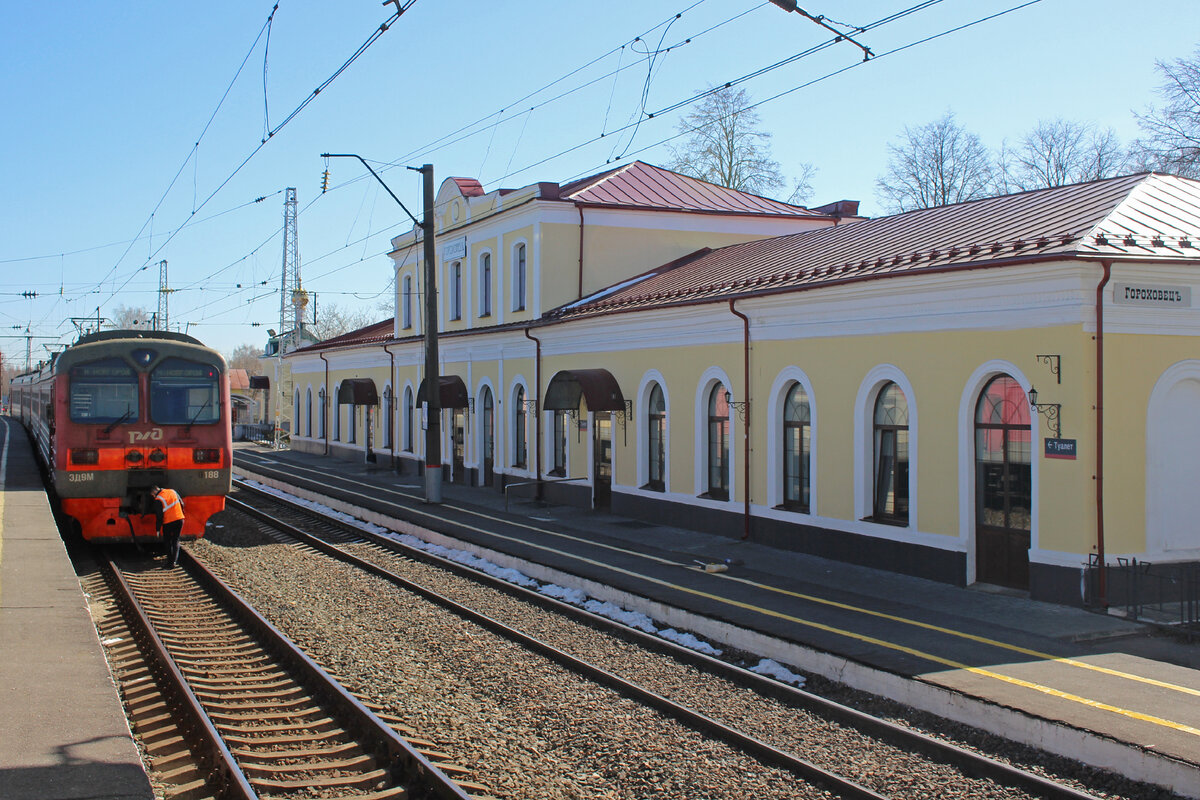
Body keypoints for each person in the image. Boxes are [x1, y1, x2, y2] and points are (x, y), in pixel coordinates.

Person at [151, 485, 185, 567]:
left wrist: (158, 529)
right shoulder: (172, 491)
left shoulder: (158, 499)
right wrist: (181, 513)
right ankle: (174, 562)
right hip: (180, 519)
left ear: (154, 492)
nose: (153, 496)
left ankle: (169, 562)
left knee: (167, 542)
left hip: (168, 522)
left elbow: (159, 516)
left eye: (152, 495)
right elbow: (182, 503)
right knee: (176, 540)